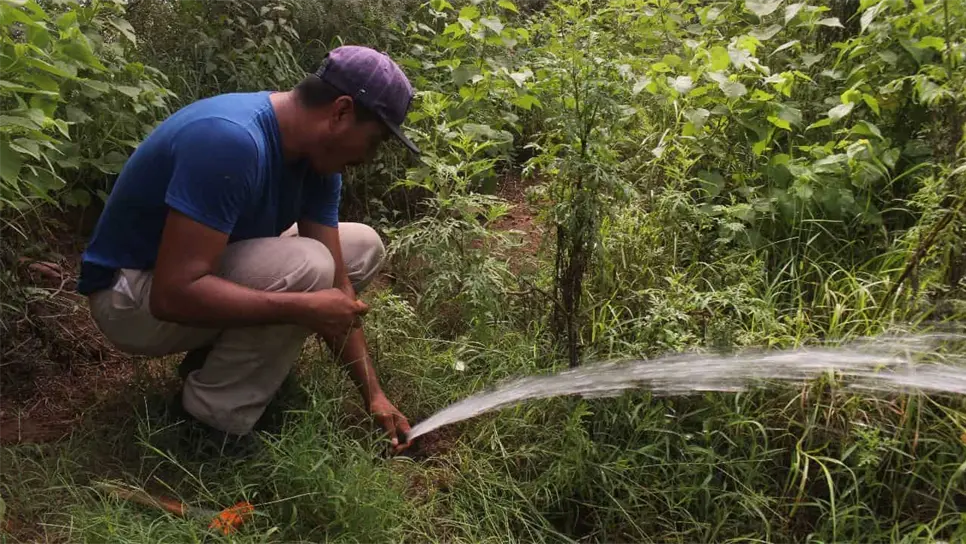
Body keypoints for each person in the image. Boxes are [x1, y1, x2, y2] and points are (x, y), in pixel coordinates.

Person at [76, 45, 418, 453]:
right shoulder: (232, 140)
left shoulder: (317, 162)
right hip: (132, 299)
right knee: (309, 265)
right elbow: (171, 296)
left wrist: (374, 395)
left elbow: (340, 293)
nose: (369, 156)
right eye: (374, 140)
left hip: (189, 280)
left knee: (360, 246)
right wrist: (303, 308)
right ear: (341, 112)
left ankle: (212, 365)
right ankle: (210, 425)